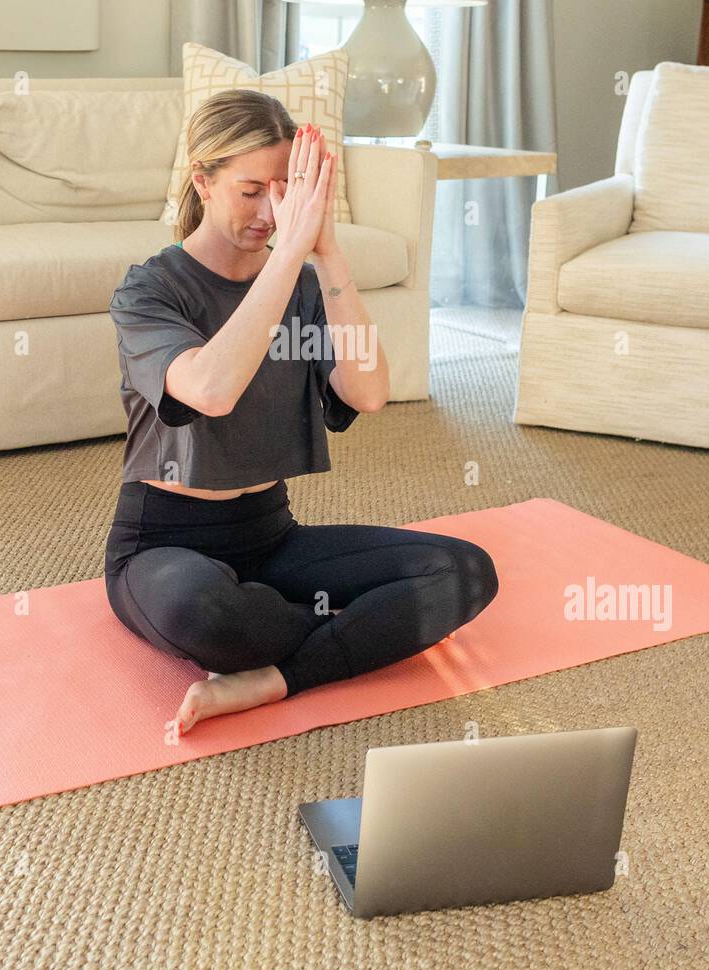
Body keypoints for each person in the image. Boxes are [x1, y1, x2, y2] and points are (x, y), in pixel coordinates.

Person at [104, 88, 499, 734]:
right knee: (208, 616)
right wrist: (286, 257)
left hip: (272, 538)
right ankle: (353, 629)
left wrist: (327, 253)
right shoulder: (150, 289)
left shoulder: (304, 284)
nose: (271, 211)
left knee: (463, 571)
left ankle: (276, 677)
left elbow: (367, 392)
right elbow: (211, 389)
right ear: (202, 181)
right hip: (163, 545)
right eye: (251, 190)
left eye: (286, 191)